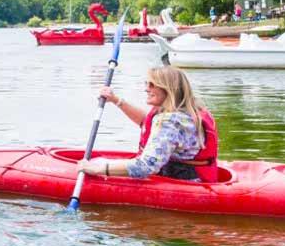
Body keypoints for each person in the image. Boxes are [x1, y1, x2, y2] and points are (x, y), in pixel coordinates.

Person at [81, 65, 220, 182]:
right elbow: (146, 122)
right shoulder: (190, 111)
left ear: (168, 89)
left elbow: (146, 166)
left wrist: (99, 169)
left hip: (185, 180)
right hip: (198, 174)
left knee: (98, 162)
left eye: (152, 84)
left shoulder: (170, 122)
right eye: (146, 83)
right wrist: (116, 100)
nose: (147, 88)